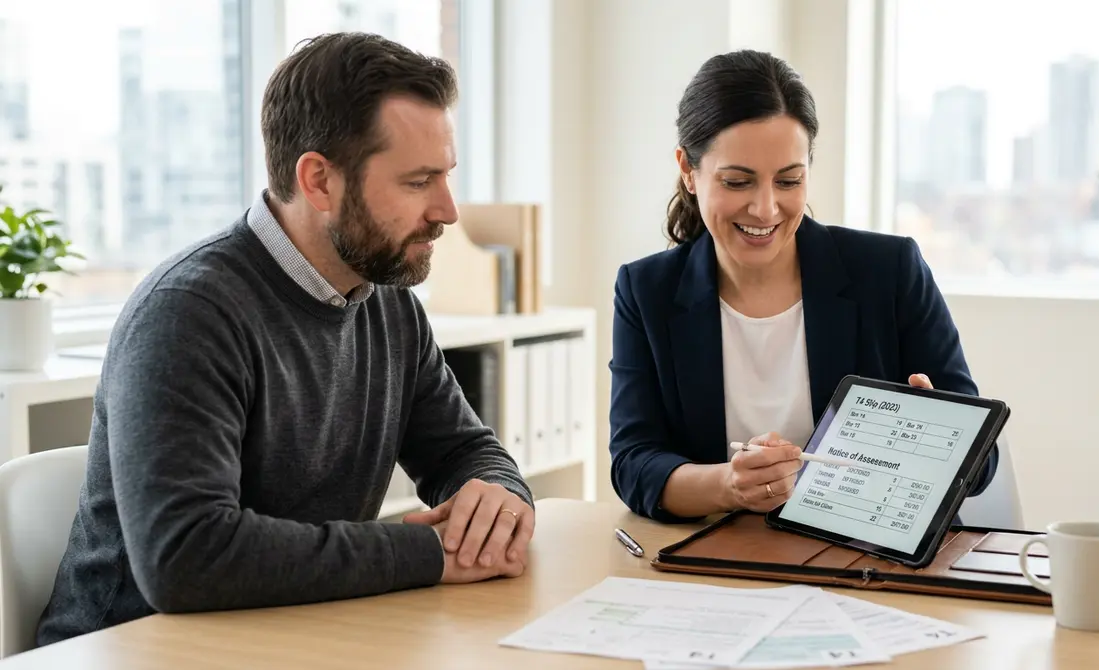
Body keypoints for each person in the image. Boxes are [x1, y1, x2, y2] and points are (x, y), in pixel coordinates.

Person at [36, 32, 535, 646]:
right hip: (136, 650)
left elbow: (464, 453)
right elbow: (186, 557)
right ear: (319, 181)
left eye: (446, 177)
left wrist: (499, 503)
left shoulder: (387, 300)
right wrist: (429, 552)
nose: (448, 210)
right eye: (418, 182)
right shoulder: (188, 313)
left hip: (292, 634)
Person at [608, 49, 997, 523]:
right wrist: (731, 486)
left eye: (789, 180)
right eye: (737, 182)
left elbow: (983, 462)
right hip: (727, 559)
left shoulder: (890, 271)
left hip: (875, 558)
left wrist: (937, 437)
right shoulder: (646, 291)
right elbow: (634, 463)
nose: (766, 209)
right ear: (689, 172)